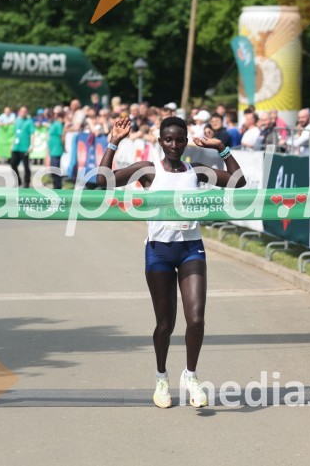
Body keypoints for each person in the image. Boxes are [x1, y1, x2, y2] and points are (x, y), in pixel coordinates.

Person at [97, 116, 246, 409]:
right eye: (168, 140)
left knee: (197, 319)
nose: (174, 145)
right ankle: (161, 377)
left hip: (191, 248)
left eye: (180, 140)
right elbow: (103, 181)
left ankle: (191, 376)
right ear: (160, 141)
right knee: (165, 324)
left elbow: (239, 182)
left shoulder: (197, 171)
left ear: (186, 141)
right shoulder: (148, 170)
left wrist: (222, 148)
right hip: (159, 251)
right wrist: (114, 141)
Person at [10, 106, 35, 188]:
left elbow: (32, 134)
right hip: (16, 147)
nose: (23, 113)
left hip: (24, 147)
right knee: (13, 164)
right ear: (19, 112)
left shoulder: (29, 122)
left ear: (27, 112)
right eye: (22, 111)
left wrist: (31, 145)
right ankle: (18, 180)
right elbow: (15, 134)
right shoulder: (17, 121)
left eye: (25, 111)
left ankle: (27, 182)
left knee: (26, 166)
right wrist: (12, 145)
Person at [48, 110, 66, 189]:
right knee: (53, 167)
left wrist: (63, 146)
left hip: (57, 148)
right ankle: (56, 184)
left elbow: (61, 136)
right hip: (52, 149)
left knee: (55, 167)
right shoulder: (51, 124)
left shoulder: (57, 124)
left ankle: (58, 186)